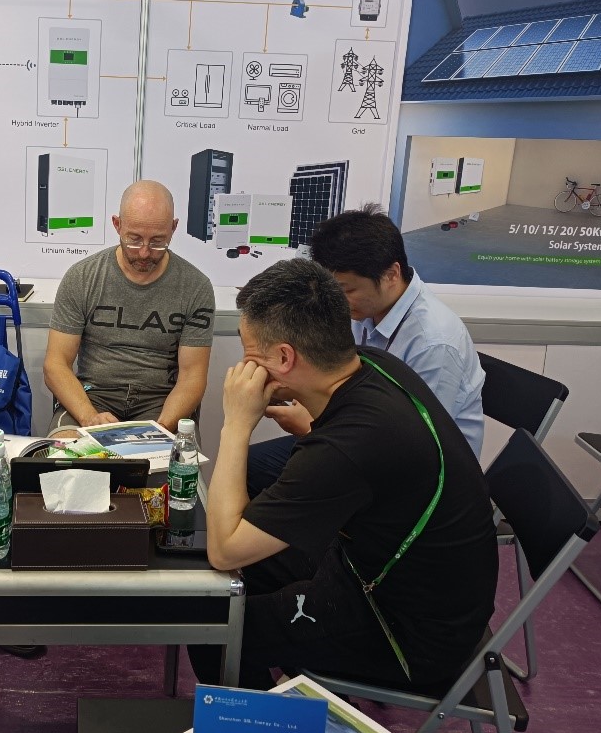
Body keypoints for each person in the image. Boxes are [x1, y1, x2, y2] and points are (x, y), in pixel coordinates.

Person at [191, 258, 497, 691]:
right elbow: (360, 456)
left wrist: (236, 423)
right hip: (404, 579)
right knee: (227, 582)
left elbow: (226, 550)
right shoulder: (374, 364)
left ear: (284, 357)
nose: (245, 366)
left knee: (211, 623)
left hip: (409, 634)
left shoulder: (346, 448)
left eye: (249, 351)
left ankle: (261, 722)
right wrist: (309, 425)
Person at [248, 204, 486, 494]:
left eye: (347, 290)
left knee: (286, 491)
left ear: (391, 274)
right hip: (358, 435)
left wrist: (312, 427)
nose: (339, 301)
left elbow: (414, 446)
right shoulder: (365, 312)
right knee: (253, 468)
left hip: (419, 481)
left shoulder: (433, 342)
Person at [44, 180, 214, 435]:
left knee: (169, 458)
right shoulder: (82, 277)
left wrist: (161, 429)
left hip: (160, 401)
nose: (144, 252)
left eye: (157, 241)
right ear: (117, 225)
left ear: (173, 228)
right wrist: (90, 417)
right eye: (134, 239)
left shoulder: (195, 287)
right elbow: (55, 364)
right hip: (93, 395)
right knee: (64, 453)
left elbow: (192, 377)